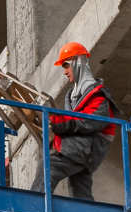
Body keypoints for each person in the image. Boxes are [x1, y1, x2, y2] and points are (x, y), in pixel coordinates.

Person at [32, 42, 118, 200]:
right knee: (79, 190)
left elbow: (92, 122)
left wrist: (61, 123)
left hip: (89, 146)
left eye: (66, 66)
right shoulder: (73, 95)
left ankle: (35, 206)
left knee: (48, 166)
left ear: (78, 62)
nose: (65, 72)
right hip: (83, 147)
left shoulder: (97, 94)